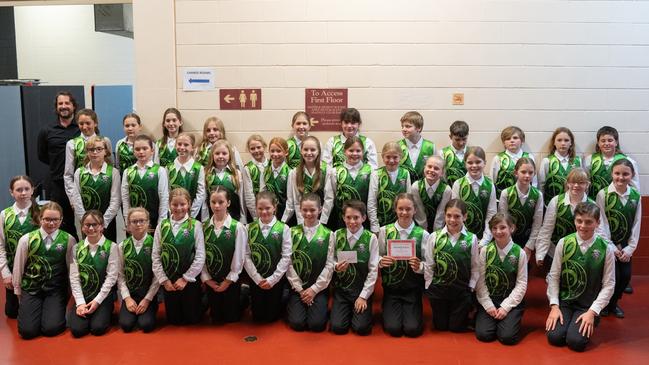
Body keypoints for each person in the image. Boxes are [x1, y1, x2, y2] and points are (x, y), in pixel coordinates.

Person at [545, 202, 615, 352]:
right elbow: (554, 276)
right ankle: (566, 318)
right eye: (579, 221)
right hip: (566, 301)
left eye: (589, 222)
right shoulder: (564, 243)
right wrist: (554, 306)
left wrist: (592, 312)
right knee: (555, 337)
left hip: (587, 305)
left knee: (575, 342)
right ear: (574, 220)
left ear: (597, 222)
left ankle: (591, 320)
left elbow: (609, 285)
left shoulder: (606, 249)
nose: (583, 226)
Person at [12, 202, 75, 339]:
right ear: (40, 219)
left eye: (55, 220)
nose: (51, 223)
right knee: (27, 332)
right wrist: (18, 292)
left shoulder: (69, 240)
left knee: (51, 329)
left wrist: (71, 292)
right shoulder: (27, 240)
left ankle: (55, 312)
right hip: (31, 289)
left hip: (55, 289)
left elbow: (72, 269)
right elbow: (18, 267)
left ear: (61, 220)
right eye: (47, 219)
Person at [152, 188, 205, 325]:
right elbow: (156, 256)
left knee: (192, 320)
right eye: (175, 205)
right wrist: (164, 280)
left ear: (189, 204)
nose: (179, 208)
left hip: (189, 281)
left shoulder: (196, 225)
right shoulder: (161, 226)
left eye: (183, 204)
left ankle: (204, 301)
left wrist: (186, 278)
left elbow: (200, 256)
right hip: (170, 282)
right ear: (169, 204)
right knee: (174, 321)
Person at [424, 199, 479, 332]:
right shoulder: (434, 237)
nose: (452, 220)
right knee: (441, 327)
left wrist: (471, 287)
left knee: (456, 328)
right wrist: (429, 284)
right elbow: (429, 264)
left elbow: (475, 266)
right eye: (449, 215)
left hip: (461, 290)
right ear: (445, 215)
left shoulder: (471, 238)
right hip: (439, 290)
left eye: (457, 216)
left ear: (465, 217)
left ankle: (469, 313)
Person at [378, 193, 428, 337]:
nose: (404, 213)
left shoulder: (423, 234)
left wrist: (420, 266)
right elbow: (377, 256)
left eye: (408, 209)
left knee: (412, 330)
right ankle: (388, 308)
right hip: (391, 289)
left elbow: (428, 263)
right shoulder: (384, 231)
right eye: (400, 208)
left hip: (412, 288)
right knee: (393, 329)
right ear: (395, 209)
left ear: (415, 210)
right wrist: (382, 261)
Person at [596, 159, 641, 318]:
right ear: (612, 174)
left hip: (626, 248)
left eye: (625, 174)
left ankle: (614, 303)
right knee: (612, 277)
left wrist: (630, 248)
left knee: (625, 277)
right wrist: (613, 248)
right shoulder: (603, 194)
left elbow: (637, 222)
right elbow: (601, 223)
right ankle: (605, 305)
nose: (621, 177)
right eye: (617, 173)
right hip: (608, 245)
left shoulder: (635, 195)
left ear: (632, 175)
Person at [475, 213, 528, 345]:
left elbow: (522, 284)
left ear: (512, 228)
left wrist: (505, 307)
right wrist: (488, 305)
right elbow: (480, 281)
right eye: (494, 228)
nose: (498, 231)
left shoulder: (519, 253)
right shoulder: (485, 251)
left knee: (507, 338)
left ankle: (509, 319)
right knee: (484, 335)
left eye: (502, 227)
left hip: (509, 300)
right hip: (490, 299)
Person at [286, 193, 335, 332]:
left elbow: (329, 265)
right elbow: (288, 263)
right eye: (305, 210)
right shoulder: (291, 232)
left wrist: (314, 290)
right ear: (300, 210)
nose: (308, 213)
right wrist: (300, 289)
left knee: (316, 325)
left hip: (318, 288)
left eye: (312, 210)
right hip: (298, 288)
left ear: (320, 210)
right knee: (297, 323)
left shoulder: (328, 234)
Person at [330, 200, 379, 336]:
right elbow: (330, 260)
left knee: (361, 328)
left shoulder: (371, 238)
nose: (352, 221)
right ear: (343, 218)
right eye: (348, 217)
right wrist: (336, 266)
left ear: (364, 218)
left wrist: (363, 296)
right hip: (342, 290)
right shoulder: (336, 235)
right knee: (338, 327)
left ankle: (360, 309)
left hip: (361, 289)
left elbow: (373, 270)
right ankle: (345, 310)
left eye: (356, 217)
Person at [68, 211, 119, 337]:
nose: (91, 228)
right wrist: (80, 302)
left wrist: (97, 301)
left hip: (102, 296)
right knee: (77, 330)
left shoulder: (111, 247)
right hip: (83, 296)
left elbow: (111, 278)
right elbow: (74, 277)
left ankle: (106, 310)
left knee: (98, 328)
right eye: (87, 225)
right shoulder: (76, 248)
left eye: (95, 224)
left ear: (102, 226)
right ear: (82, 226)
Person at [37, 91, 80, 238]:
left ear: (73, 106)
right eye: (60, 104)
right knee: (62, 221)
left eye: (67, 103)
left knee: (88, 220)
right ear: (56, 108)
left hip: (82, 183)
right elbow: (42, 155)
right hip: (58, 184)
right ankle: (65, 254)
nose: (63, 106)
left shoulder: (82, 128)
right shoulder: (47, 130)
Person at [244, 191, 292, 322]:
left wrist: (273, 279)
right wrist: (257, 278)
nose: (264, 212)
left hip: (275, 279)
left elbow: (286, 257)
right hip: (256, 279)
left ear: (274, 207)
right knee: (258, 316)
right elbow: (246, 256)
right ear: (255, 208)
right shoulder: (248, 228)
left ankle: (285, 296)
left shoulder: (284, 228)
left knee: (271, 317)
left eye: (267, 208)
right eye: (260, 208)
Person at [201, 187, 247, 323]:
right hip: (212, 280)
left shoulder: (237, 227)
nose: (216, 206)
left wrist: (228, 281)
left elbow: (239, 257)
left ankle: (244, 294)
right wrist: (207, 279)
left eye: (221, 202)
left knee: (231, 318)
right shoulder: (203, 227)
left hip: (230, 280)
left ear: (228, 203)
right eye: (213, 202)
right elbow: (201, 256)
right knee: (216, 318)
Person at [535, 168, 598, 266]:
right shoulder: (556, 201)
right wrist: (540, 254)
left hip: (582, 253)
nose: (576, 185)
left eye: (581, 182)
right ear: (567, 183)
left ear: (587, 185)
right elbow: (546, 229)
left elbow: (598, 231)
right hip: (555, 252)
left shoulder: (592, 204)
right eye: (573, 182)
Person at [0, 176, 39, 319]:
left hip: (36, 271)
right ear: (11, 192)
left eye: (26, 189)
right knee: (12, 313)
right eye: (19, 190)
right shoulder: (4, 215)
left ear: (32, 190)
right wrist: (6, 274)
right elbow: (1, 246)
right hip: (12, 270)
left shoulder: (41, 213)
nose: (23, 193)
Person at [69, 136, 121, 241]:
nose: (95, 152)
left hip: (107, 224)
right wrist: (86, 221)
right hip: (87, 225)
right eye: (91, 149)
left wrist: (103, 223)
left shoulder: (113, 172)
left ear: (105, 151)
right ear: (87, 152)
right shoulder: (80, 172)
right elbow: (76, 198)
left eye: (99, 149)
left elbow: (115, 201)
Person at [118, 208, 159, 333]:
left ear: (148, 223)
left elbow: (157, 277)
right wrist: (127, 298)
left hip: (148, 294)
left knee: (146, 325)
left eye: (142, 221)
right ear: (128, 225)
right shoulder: (122, 246)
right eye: (134, 221)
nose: (138, 224)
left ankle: (151, 307)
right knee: (126, 325)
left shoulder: (155, 244)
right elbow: (120, 276)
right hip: (130, 295)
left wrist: (147, 299)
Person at [283, 136, 334, 226]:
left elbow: (329, 199)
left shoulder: (327, 170)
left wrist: (322, 222)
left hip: (323, 220)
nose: (309, 153)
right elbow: (296, 201)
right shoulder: (294, 173)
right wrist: (302, 223)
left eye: (313, 150)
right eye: (305, 149)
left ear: (318, 151)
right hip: (303, 220)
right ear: (301, 151)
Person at [121, 134, 169, 230]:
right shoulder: (128, 172)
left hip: (154, 220)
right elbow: (125, 198)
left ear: (152, 151)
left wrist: (161, 221)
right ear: (133, 151)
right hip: (134, 222)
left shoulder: (160, 170)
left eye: (145, 148)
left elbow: (164, 197)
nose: (141, 152)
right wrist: (127, 220)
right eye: (137, 149)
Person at [498, 158, 543, 257]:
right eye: (523, 172)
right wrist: (508, 243)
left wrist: (529, 246)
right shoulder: (506, 193)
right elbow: (503, 220)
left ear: (534, 174)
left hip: (528, 241)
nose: (527, 176)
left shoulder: (538, 195)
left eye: (530, 173)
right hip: (508, 240)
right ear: (516, 172)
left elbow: (537, 223)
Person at [451, 146, 497, 243]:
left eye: (478, 162)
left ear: (484, 163)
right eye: (470, 162)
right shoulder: (458, 184)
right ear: (465, 164)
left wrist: (485, 240)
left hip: (484, 238)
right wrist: (465, 238)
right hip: (462, 238)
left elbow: (491, 214)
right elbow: (456, 213)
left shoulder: (490, 185)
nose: (474, 165)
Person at [328, 136, 373, 231]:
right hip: (342, 220)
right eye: (351, 150)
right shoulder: (335, 171)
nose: (355, 154)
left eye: (358, 151)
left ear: (363, 152)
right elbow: (333, 196)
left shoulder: (370, 171)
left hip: (363, 220)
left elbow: (372, 199)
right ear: (344, 151)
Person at [584, 125, 641, 199]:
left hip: (618, 203)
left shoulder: (628, 161)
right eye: (603, 141)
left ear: (616, 142)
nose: (606, 143)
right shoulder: (590, 160)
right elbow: (585, 183)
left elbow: (635, 187)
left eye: (610, 140)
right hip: (594, 205)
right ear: (598, 143)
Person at [368, 142, 411, 234]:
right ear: (383, 157)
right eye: (388, 157)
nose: (391, 160)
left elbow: (409, 200)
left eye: (395, 157)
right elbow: (372, 202)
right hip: (381, 223)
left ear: (401, 157)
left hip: (401, 222)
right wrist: (374, 225)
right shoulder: (376, 174)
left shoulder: (405, 173)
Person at [203, 139, 246, 223]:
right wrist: (204, 218)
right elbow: (204, 199)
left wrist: (243, 217)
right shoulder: (206, 173)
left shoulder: (236, 174)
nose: (220, 156)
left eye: (224, 153)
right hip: (212, 217)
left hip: (233, 217)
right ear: (212, 155)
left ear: (230, 155)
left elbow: (241, 198)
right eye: (217, 153)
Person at [538, 127, 581, 206]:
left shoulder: (578, 161)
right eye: (559, 140)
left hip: (574, 205)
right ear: (554, 142)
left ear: (571, 142)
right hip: (551, 205)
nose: (563, 143)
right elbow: (541, 186)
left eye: (566, 140)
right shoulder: (547, 161)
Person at [166, 132, 206, 219]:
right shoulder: (168, 168)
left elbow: (201, 194)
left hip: (193, 215)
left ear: (193, 148)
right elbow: (167, 192)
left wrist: (191, 214)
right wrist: (172, 211)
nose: (182, 147)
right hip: (174, 214)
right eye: (179, 144)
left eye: (186, 145)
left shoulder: (199, 168)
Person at [491, 126, 536, 198]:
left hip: (525, 198)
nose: (512, 141)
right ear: (503, 142)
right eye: (508, 139)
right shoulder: (498, 158)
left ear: (522, 140)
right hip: (503, 199)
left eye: (515, 138)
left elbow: (534, 182)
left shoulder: (529, 157)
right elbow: (492, 180)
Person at [410, 156, 451, 233]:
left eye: (436, 168)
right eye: (429, 166)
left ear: (442, 173)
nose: (431, 170)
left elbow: (441, 214)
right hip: (420, 228)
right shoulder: (416, 187)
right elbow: (419, 212)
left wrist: (436, 234)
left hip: (439, 229)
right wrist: (424, 233)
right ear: (424, 168)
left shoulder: (446, 189)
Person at [398, 111, 435, 181]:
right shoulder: (398, 146)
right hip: (403, 189)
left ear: (419, 128)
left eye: (408, 126)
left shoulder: (430, 147)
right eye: (402, 126)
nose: (403, 129)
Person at [263, 137, 292, 222]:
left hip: (285, 216)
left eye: (279, 151)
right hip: (268, 214)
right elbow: (262, 194)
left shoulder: (290, 172)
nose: (275, 154)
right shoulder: (265, 171)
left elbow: (290, 200)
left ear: (286, 152)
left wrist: (283, 221)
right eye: (272, 151)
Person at [242, 134, 268, 222]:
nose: (256, 150)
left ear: (264, 146)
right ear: (249, 150)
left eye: (259, 147)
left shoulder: (272, 165)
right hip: (256, 213)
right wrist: (256, 215)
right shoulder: (248, 168)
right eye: (252, 148)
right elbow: (249, 195)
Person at [439, 120, 469, 187]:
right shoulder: (443, 153)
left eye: (464, 139)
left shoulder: (472, 152)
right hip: (450, 193)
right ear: (450, 137)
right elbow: (441, 177)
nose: (461, 143)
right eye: (457, 139)